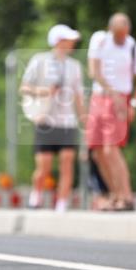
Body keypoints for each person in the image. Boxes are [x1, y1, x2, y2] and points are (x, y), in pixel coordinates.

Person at [86, 13, 136, 211]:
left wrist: (134, 103)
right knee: (97, 152)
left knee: (110, 148)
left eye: (124, 35)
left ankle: (126, 196)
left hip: (121, 100)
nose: (122, 39)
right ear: (110, 29)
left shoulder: (134, 48)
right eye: (118, 35)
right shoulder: (100, 40)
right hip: (99, 97)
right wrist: (110, 91)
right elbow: (93, 71)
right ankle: (114, 194)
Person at [20, 24, 85, 212]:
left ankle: (62, 203)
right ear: (59, 41)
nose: (73, 43)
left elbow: (79, 96)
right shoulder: (39, 61)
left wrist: (84, 120)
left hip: (67, 121)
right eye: (69, 40)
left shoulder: (75, 67)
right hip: (45, 119)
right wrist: (44, 92)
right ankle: (36, 195)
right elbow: (24, 88)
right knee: (44, 166)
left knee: (67, 162)